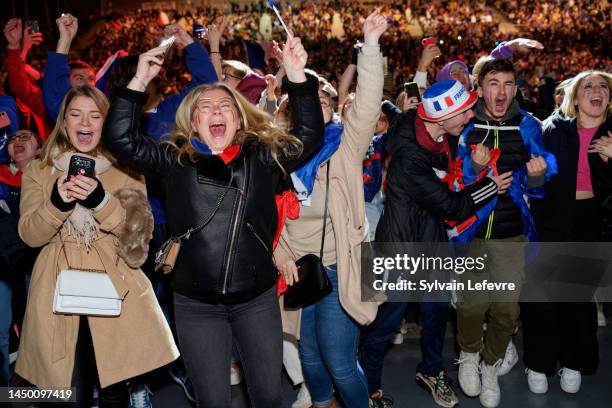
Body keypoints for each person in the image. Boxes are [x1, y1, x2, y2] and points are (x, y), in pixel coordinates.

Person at [102, 33, 324, 407]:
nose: (217, 111)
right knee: (212, 400)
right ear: (193, 121)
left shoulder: (263, 156)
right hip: (196, 304)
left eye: (225, 105)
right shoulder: (173, 160)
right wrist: (138, 80)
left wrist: (298, 76)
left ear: (238, 117)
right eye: (206, 107)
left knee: (269, 395)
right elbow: (119, 139)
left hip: (256, 299)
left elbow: (309, 136)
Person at [16, 85, 178, 407]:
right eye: (76, 114)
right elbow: (29, 235)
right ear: (64, 122)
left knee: (113, 391)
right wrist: (56, 204)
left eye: (95, 115)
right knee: (67, 390)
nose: (85, 122)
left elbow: (138, 241)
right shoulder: (39, 170)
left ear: (106, 122)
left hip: (114, 286)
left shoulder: (127, 168)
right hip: (57, 292)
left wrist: (101, 202)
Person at [367, 80, 503, 408]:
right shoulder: (411, 158)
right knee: (383, 323)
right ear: (440, 119)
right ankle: (367, 388)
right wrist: (489, 185)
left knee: (436, 313)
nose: (471, 116)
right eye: (465, 111)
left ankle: (431, 370)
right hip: (399, 248)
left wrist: (413, 82)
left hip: (432, 243)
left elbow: (394, 108)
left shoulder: (416, 118)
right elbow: (451, 205)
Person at [275, 13, 387, 408]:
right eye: (305, 102)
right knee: (308, 358)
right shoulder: (277, 159)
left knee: (340, 363)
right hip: (300, 270)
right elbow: (262, 219)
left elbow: (370, 101)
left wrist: (370, 45)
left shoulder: (346, 147)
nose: (316, 107)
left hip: (344, 265)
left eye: (323, 101)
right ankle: (323, 404)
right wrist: (280, 253)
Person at [454, 58, 556, 408]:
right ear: (480, 88)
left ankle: (490, 363)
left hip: (513, 235)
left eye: (508, 84)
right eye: (493, 83)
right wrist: (475, 167)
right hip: (472, 234)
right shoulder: (465, 125)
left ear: (516, 89)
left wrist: (538, 176)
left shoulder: (529, 126)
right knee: (471, 307)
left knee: (507, 311)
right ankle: (468, 355)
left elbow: (538, 186)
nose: (501, 91)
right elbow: (452, 184)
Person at [523, 70, 612, 395]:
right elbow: (532, 183)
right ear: (575, 97)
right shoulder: (552, 130)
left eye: (603, 86)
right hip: (551, 219)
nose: (596, 90)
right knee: (540, 298)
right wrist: (534, 178)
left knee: (578, 298)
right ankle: (538, 362)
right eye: (588, 86)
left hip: (590, 221)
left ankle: (574, 361)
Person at [0, 129, 42, 386]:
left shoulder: (49, 178)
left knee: (37, 331)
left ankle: (42, 393)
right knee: (0, 333)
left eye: (26, 137)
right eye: (14, 139)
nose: (18, 141)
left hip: (35, 263)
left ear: (39, 149)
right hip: (3, 264)